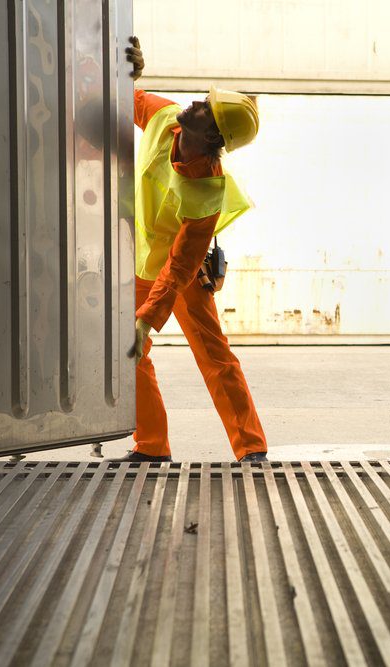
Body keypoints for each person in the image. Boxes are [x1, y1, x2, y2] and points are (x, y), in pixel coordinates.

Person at [113, 37, 268, 463]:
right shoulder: (167, 117)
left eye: (204, 108)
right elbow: (128, 99)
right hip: (145, 258)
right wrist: (131, 75)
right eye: (202, 100)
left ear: (213, 134)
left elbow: (181, 264)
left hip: (182, 272)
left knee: (213, 353)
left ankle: (251, 447)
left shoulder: (207, 189)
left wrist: (149, 317)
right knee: (132, 349)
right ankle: (151, 445)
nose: (195, 104)